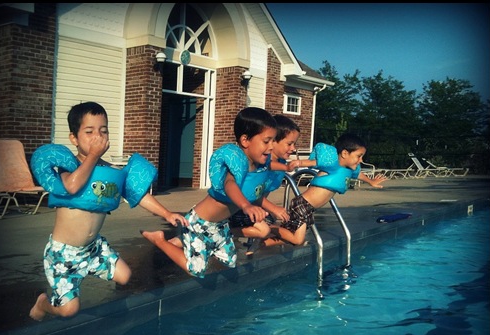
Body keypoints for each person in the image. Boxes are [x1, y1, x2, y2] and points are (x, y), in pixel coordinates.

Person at [29, 101, 188, 321]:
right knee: (69, 310)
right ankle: (43, 304)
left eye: (103, 131)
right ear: (74, 138)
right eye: (89, 131)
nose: (98, 137)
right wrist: (92, 157)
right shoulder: (69, 166)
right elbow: (72, 186)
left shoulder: (110, 172)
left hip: (93, 248)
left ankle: (82, 277)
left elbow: (137, 194)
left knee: (125, 276)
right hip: (63, 253)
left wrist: (167, 214)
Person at [141, 107, 278, 277]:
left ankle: (184, 241)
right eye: (267, 141)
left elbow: (255, 191)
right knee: (197, 269)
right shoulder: (235, 163)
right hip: (199, 223)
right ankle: (159, 239)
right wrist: (246, 206)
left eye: (273, 141)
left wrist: (274, 208)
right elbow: (229, 185)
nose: (271, 147)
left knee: (229, 261)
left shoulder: (256, 168)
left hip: (220, 226)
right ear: (245, 140)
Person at [261, 132, 387, 249]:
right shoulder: (332, 165)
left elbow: (359, 175)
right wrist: (299, 162)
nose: (361, 160)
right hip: (302, 205)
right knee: (298, 239)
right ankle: (267, 228)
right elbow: (314, 162)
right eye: (359, 156)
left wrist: (371, 181)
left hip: (309, 208)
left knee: (290, 236)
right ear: (344, 154)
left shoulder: (350, 170)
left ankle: (260, 244)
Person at [229, 114, 301, 255]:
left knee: (280, 227)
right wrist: (273, 208)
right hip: (239, 208)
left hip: (255, 207)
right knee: (267, 228)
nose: (293, 148)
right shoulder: (261, 165)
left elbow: (262, 193)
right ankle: (225, 232)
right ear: (274, 142)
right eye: (289, 143)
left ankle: (253, 243)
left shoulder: (280, 163)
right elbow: (251, 193)